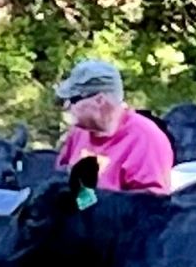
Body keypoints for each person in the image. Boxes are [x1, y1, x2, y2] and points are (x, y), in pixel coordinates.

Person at [51, 58, 176, 194]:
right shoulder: (78, 132)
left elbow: (150, 208)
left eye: (72, 100)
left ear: (99, 100)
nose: (66, 107)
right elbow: (61, 180)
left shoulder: (146, 140)